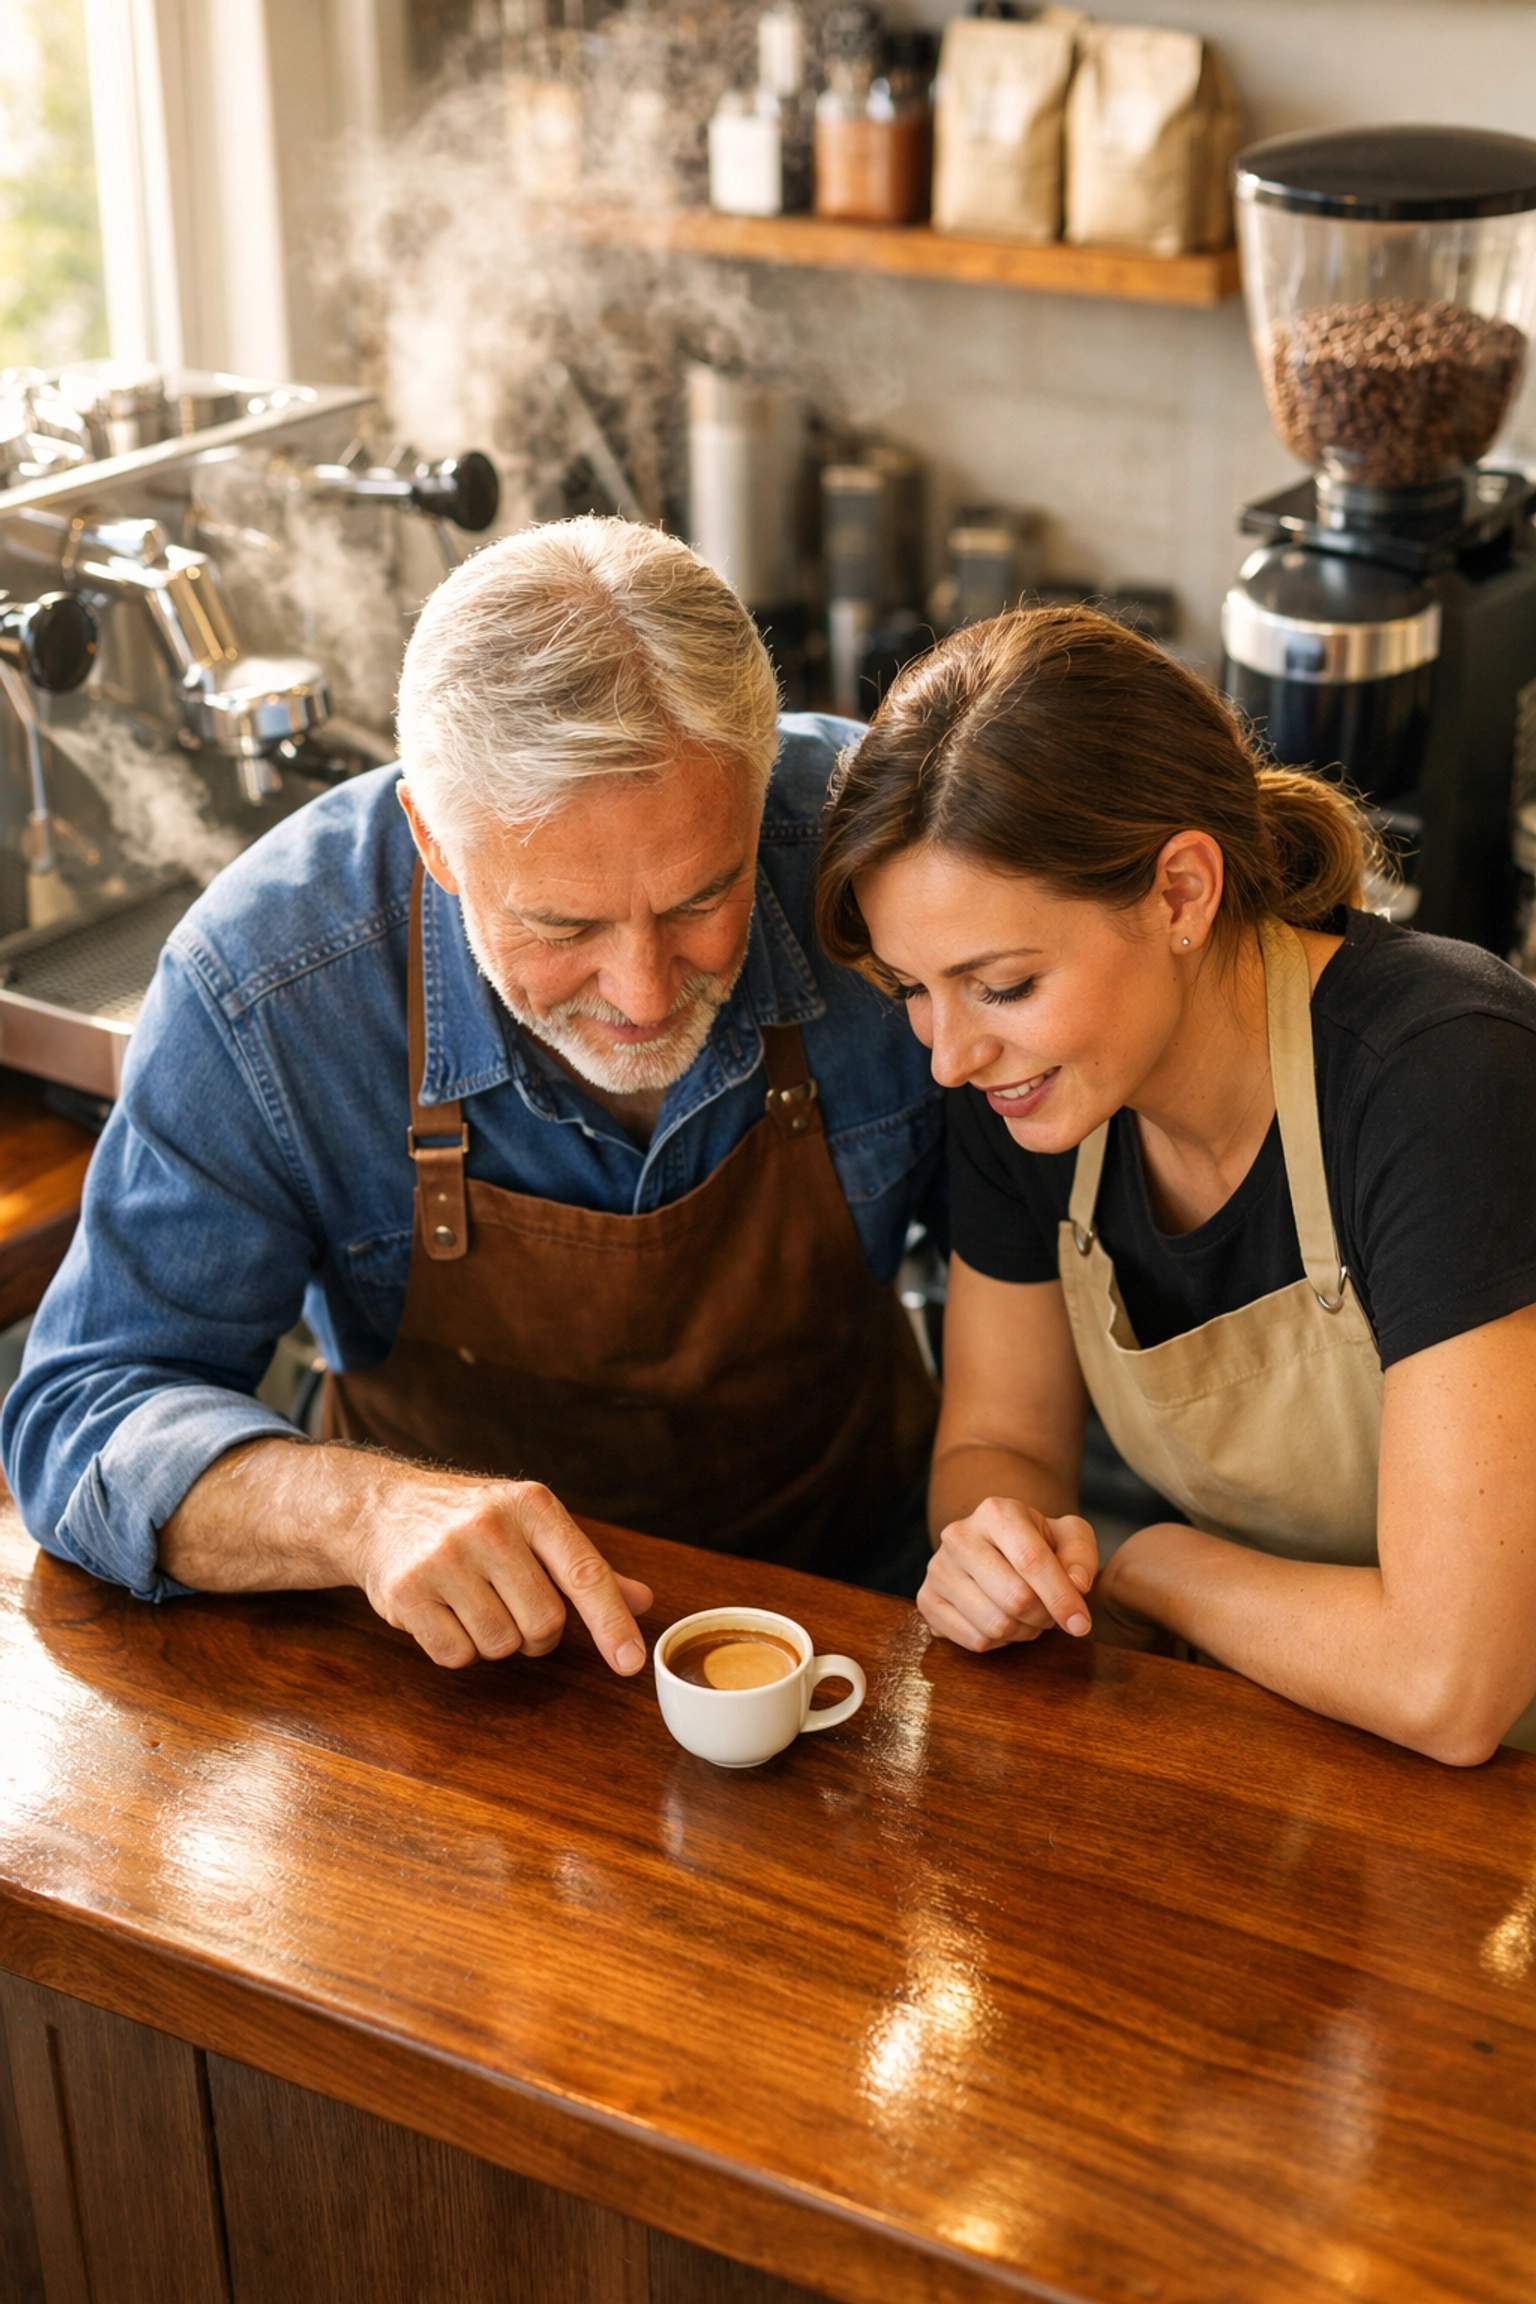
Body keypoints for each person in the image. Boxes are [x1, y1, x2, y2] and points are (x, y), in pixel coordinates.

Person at [2, 519, 943, 1675]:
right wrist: (361, 1516)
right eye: (564, 925)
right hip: (458, 1670)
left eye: (706, 895)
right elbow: (81, 1416)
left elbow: (1044, 1238)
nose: (643, 994)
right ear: (435, 846)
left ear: (762, 799)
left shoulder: (885, 856)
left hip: (858, 1612)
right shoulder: (268, 986)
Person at [815, 604, 1536, 1762]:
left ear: (1183, 894)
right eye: (912, 987)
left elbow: (1451, 1684)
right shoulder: (1028, 1092)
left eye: (1001, 984)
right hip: (1287, 1735)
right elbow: (995, 1445)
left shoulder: (1443, 1076)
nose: (946, 1055)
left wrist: (1151, 1562)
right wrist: (991, 1551)